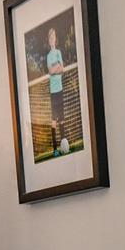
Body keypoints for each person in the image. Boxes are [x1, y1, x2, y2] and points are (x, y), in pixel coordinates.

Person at [45, 27, 68, 155]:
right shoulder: (49, 56)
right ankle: (55, 149)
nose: (52, 39)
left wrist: (57, 68)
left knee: (62, 118)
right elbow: (51, 71)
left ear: (56, 38)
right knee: (53, 120)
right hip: (53, 91)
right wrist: (56, 67)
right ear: (49, 41)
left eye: (54, 36)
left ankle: (64, 145)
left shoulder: (58, 52)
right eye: (50, 37)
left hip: (60, 89)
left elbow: (62, 69)